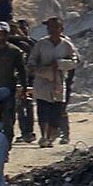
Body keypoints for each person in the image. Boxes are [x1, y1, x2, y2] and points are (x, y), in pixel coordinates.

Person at [29, 16, 80, 147]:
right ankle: (44, 137)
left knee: (56, 111)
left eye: (55, 27)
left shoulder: (67, 45)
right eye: (50, 27)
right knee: (43, 109)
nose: (52, 30)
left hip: (59, 81)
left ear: (61, 29)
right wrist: (37, 68)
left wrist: (60, 64)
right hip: (42, 81)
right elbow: (32, 61)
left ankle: (51, 136)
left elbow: (75, 61)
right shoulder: (41, 44)